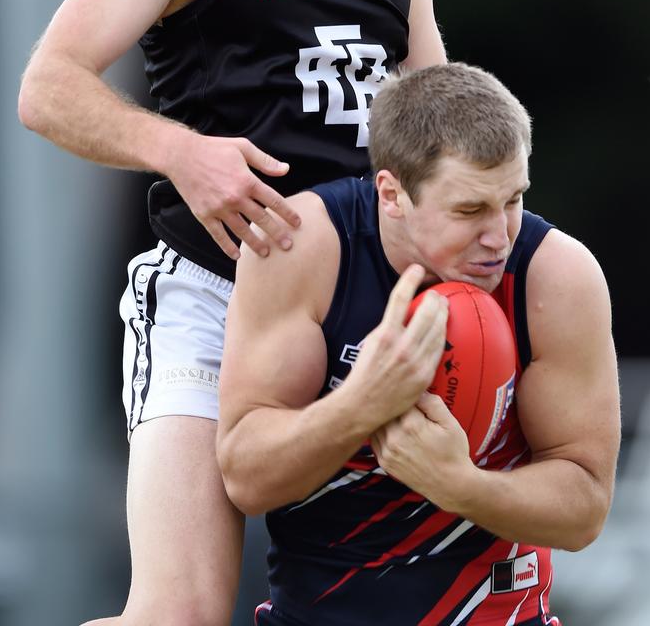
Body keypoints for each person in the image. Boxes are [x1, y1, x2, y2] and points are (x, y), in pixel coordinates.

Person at [17, 0, 445, 626]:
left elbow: (437, 123)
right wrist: (182, 152)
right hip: (215, 290)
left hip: (366, 307)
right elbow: (49, 86)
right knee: (181, 613)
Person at [217, 62, 621, 626]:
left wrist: (461, 486)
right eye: (469, 209)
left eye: (513, 199)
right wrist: (361, 405)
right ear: (392, 193)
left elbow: (585, 508)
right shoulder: (302, 245)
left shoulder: (555, 277)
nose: (499, 235)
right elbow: (245, 477)